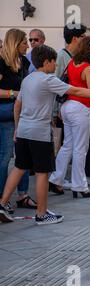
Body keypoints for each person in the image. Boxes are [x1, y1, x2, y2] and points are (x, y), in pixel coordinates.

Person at [0, 45, 90, 224]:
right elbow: (75, 91)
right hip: (40, 133)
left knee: (19, 167)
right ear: (46, 62)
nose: (55, 65)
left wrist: (17, 128)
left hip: (23, 131)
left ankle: (2, 204)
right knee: (43, 173)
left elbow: (17, 105)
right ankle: (41, 214)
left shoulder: (27, 80)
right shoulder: (48, 80)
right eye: (54, 61)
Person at [49, 36, 90, 198]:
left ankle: (56, 179)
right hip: (80, 107)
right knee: (81, 148)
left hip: (67, 107)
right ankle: (80, 186)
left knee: (68, 145)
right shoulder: (88, 67)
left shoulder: (72, 63)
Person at [0, 28, 37, 216]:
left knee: (24, 155)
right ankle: (1, 200)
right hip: (5, 113)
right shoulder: (1, 62)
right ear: (16, 43)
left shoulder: (23, 61)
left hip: (22, 112)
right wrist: (14, 94)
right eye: (24, 42)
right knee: (6, 156)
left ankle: (22, 195)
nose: (28, 45)